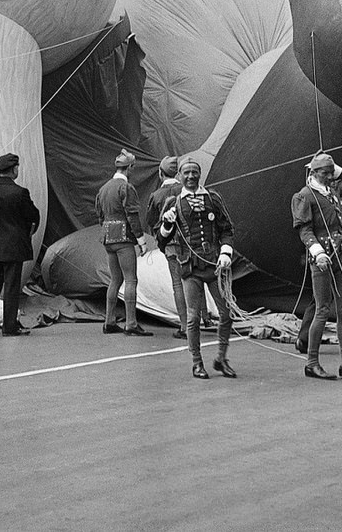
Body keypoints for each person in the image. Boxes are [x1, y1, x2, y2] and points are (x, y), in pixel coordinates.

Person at [156, 156, 238, 379]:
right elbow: (161, 241)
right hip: (189, 267)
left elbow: (227, 229)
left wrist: (225, 253)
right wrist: (166, 224)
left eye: (195, 172)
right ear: (179, 176)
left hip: (214, 264)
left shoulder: (213, 198)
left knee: (226, 312)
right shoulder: (173, 203)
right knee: (193, 318)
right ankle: (197, 363)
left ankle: (221, 358)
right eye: (186, 173)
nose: (191, 176)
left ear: (199, 175)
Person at [291, 152, 342, 381]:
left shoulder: (330, 189)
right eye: (324, 172)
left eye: (331, 173)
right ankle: (311, 363)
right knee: (322, 310)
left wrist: (335, 168)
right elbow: (304, 229)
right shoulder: (304, 196)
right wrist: (316, 251)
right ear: (313, 172)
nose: (329, 176)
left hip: (341, 253)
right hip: (321, 257)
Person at [0, 152, 41, 336]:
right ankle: (9, 328)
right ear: (14, 169)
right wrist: (25, 234)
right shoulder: (20, 193)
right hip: (13, 248)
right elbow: (33, 216)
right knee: (11, 288)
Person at [94, 150, 151, 336]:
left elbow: (100, 215)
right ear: (130, 168)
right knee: (131, 280)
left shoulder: (103, 189)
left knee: (115, 280)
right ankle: (131, 323)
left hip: (107, 238)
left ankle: (109, 322)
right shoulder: (126, 188)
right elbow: (132, 216)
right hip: (124, 238)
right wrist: (141, 240)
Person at [144, 156, 189, 340]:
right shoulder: (187, 189)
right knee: (194, 280)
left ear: (161, 174)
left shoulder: (156, 196)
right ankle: (203, 318)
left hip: (170, 244)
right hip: (190, 243)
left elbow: (151, 221)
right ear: (178, 173)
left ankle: (185, 327)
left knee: (177, 284)